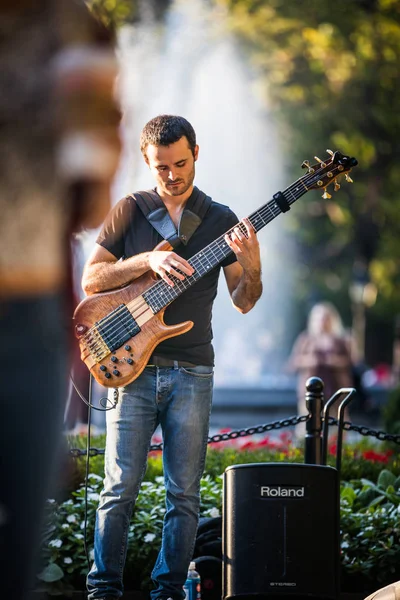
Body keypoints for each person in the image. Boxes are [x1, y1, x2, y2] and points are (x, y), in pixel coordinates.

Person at [83, 114, 263, 600]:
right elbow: (91, 283)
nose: (172, 175)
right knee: (118, 489)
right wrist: (148, 260)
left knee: (183, 495)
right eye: (161, 166)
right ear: (147, 161)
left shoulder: (222, 219)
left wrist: (253, 268)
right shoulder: (129, 210)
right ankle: (103, 590)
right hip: (130, 367)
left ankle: (168, 592)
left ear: (196, 154)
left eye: (180, 163)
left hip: (193, 369)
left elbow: (243, 301)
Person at [0, 2, 120, 599]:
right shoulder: (72, 29)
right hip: (24, 307)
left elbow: (93, 197)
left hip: (29, 313)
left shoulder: (75, 32)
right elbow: (92, 196)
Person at [288, 301, 353, 431]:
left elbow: (352, 361)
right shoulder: (306, 339)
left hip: (336, 390)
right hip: (310, 392)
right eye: (321, 319)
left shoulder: (340, 340)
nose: (323, 322)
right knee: (308, 428)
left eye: (326, 319)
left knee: (335, 430)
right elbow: (293, 363)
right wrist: (310, 361)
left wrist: (334, 361)